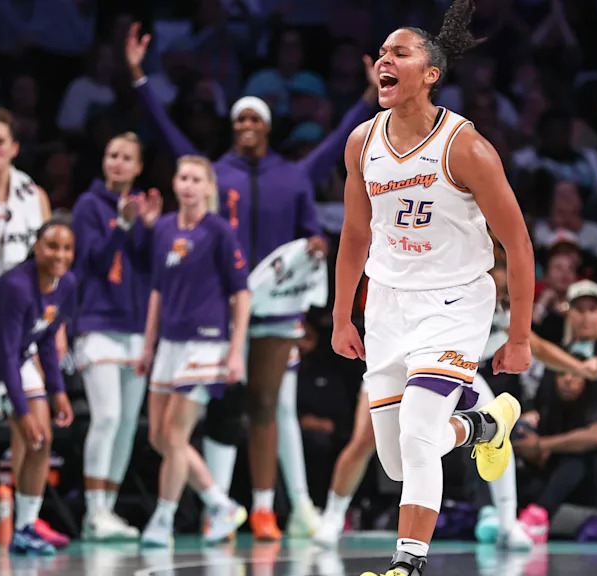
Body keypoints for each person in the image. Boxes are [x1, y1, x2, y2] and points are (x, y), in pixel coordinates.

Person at [125, 24, 378, 540]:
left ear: (265, 127)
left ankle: (264, 508)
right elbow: (170, 136)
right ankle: (216, 505)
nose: (245, 124)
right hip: (222, 312)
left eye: (253, 118)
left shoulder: (295, 175)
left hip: (278, 312)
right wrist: (138, 79)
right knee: (212, 412)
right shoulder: (214, 173)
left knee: (268, 405)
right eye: (238, 118)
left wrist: (369, 100)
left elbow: (334, 153)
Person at [332, 1, 535, 576]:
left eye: (401, 53)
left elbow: (519, 244)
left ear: (431, 73)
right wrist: (342, 315)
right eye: (383, 54)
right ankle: (487, 425)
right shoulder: (362, 142)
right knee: (397, 462)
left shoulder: (465, 147)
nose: (385, 60)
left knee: (420, 434)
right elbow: (353, 236)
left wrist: (520, 335)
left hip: (455, 302)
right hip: (388, 305)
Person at [312, 266, 597, 549]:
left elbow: (535, 346)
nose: (500, 293)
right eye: (497, 285)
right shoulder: (431, 281)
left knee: (484, 421)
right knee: (369, 444)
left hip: (449, 369)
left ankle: (506, 522)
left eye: (503, 289)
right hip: (396, 363)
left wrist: (581, 369)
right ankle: (334, 516)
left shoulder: (496, 309)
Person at [135, 156, 250, 548]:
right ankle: (220, 503)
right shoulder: (163, 227)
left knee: (175, 434)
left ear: (208, 187)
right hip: (169, 343)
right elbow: (156, 290)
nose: (187, 184)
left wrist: (235, 353)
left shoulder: (219, 231)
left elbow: (242, 293)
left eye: (195, 179)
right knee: (158, 437)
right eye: (182, 176)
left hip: (206, 342)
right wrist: (148, 346)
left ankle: (162, 521)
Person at [0, 108, 68, 551]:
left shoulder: (33, 193)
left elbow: (50, 257)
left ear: (14, 148)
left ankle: (28, 522)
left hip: (25, 322)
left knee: (38, 426)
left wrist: (52, 324)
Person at [71, 132, 162, 541]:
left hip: (135, 329)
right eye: (111, 155)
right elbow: (90, 261)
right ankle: (93, 512)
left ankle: (106, 509)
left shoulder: (142, 207)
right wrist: (123, 225)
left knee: (126, 424)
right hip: (97, 324)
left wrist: (150, 228)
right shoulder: (89, 206)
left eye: (126, 156)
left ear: (139, 166)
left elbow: (151, 268)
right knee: (106, 417)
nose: (117, 162)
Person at [0, 221, 76, 555]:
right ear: (36, 248)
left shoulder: (67, 284)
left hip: (18, 359)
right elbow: (3, 354)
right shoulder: (17, 287)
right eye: (51, 246)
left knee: (41, 437)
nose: (59, 254)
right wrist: (22, 411)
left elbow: (45, 340)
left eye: (66, 247)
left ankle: (26, 526)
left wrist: (57, 391)